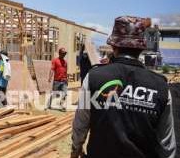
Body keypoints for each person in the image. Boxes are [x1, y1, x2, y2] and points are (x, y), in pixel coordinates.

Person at [71, 16, 176, 158]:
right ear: (142, 48)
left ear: (114, 46)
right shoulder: (161, 86)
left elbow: (81, 123)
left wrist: (76, 149)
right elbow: (167, 144)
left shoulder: (94, 77)